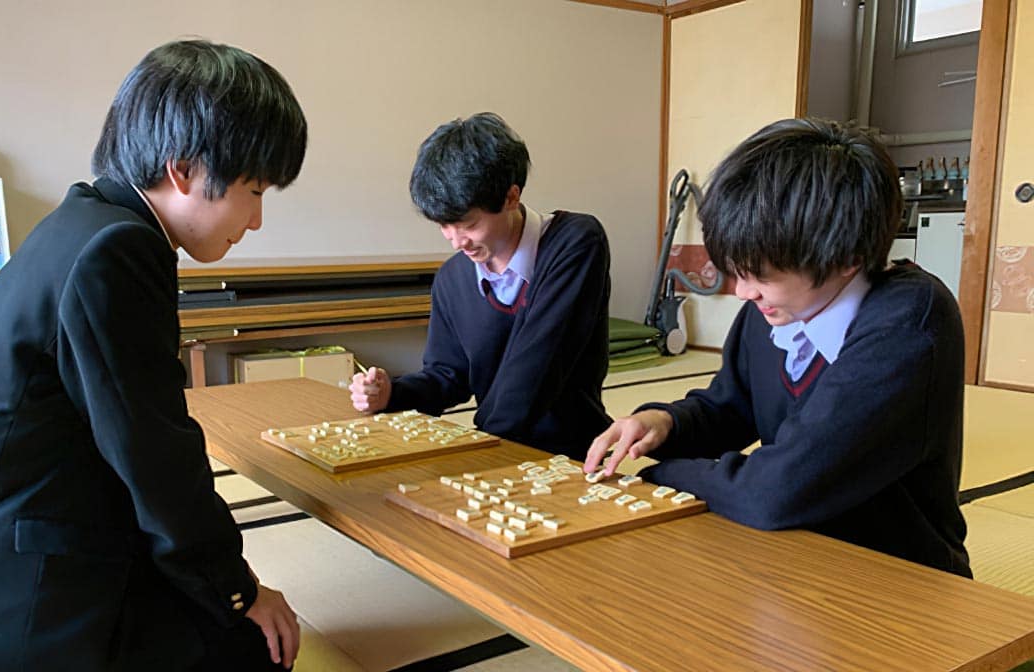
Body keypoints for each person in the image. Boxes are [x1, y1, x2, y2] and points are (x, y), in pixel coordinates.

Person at [0, 40, 308, 670]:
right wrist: (240, 589)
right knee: (254, 646)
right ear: (184, 169)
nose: (257, 219)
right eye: (254, 189)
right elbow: (156, 458)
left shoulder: (87, 223)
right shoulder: (117, 250)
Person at [585, 118, 971, 578]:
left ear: (846, 260)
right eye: (737, 271)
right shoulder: (775, 308)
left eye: (761, 276)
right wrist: (664, 424)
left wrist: (661, 477)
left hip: (899, 575)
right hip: (792, 551)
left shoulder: (909, 322)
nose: (743, 292)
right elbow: (731, 407)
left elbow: (778, 488)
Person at [349, 112, 611, 458]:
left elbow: (539, 366)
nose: (456, 241)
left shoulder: (575, 243)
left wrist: (475, 448)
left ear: (511, 197)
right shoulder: (452, 278)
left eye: (468, 224)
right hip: (494, 448)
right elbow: (448, 375)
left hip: (571, 454)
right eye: (444, 225)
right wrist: (393, 394)